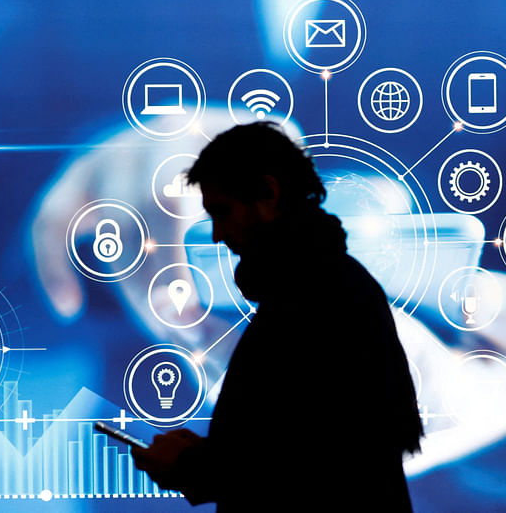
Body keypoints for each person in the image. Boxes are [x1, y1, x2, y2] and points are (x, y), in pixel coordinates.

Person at [132, 122, 424, 512]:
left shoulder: (310, 300)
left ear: (268, 194)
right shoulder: (328, 285)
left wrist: (190, 465)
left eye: (222, 211)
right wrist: (211, 456)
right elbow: (299, 443)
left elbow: (310, 466)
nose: (217, 234)